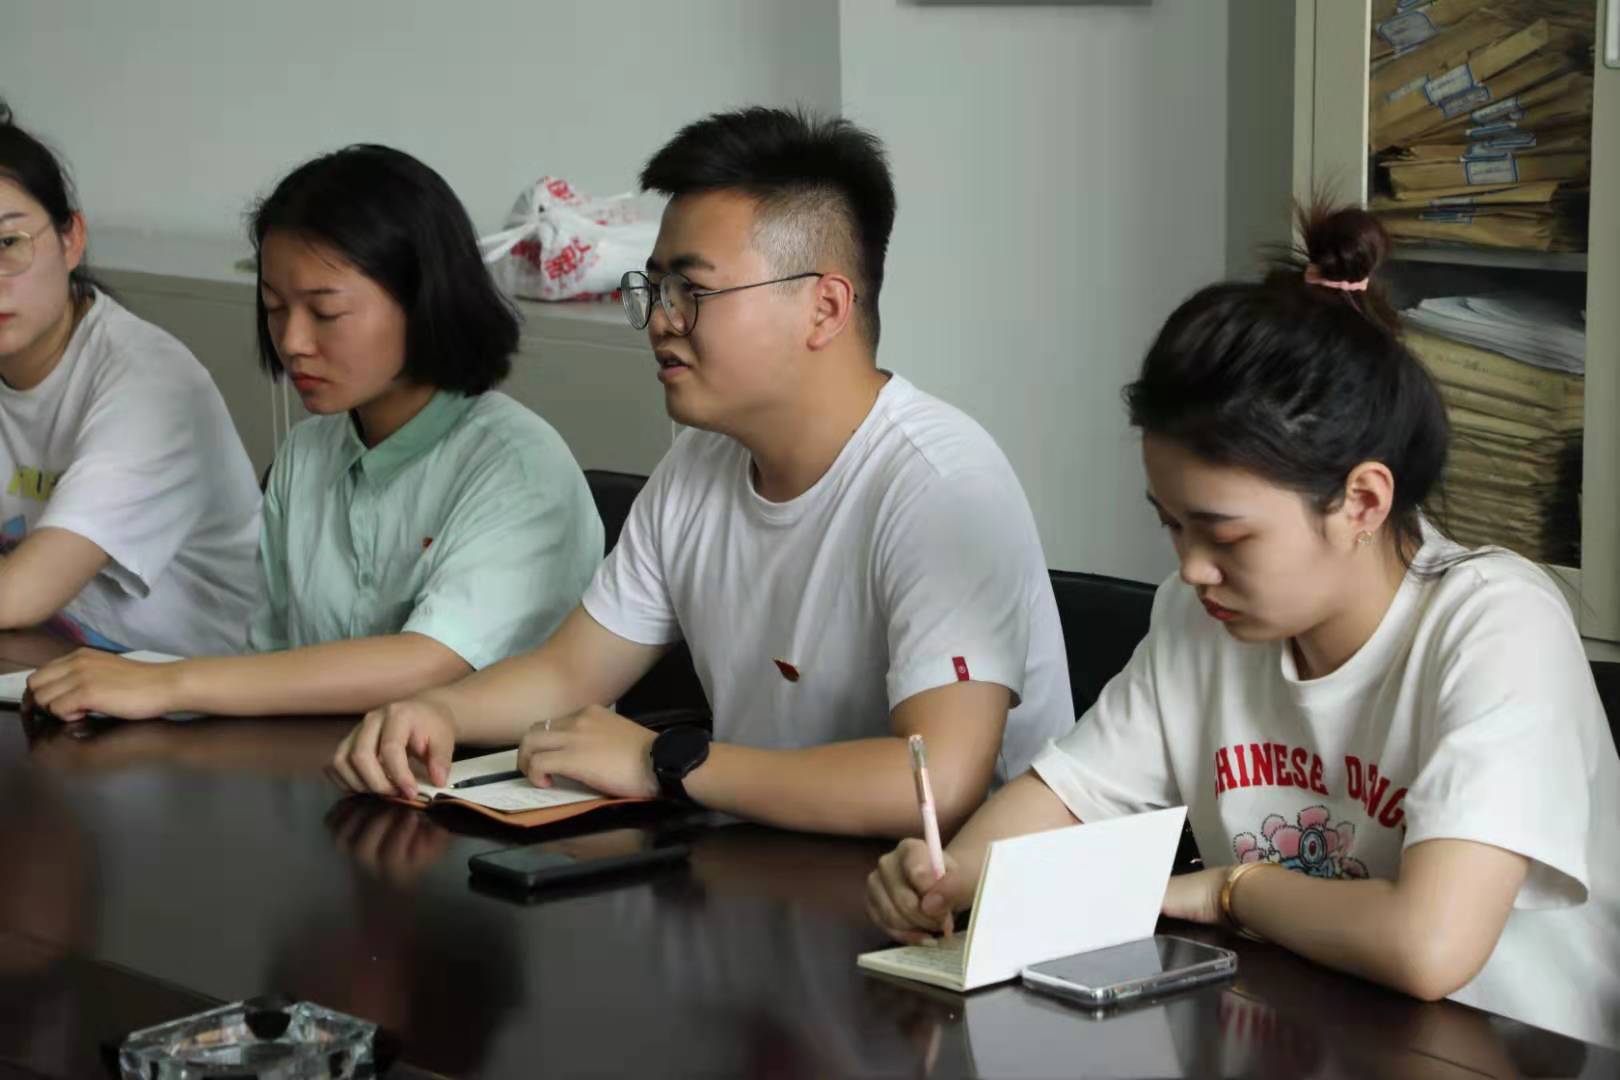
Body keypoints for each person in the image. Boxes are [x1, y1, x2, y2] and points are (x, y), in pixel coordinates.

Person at [865, 206, 1620, 1050]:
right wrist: (947, 876)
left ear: (1362, 502)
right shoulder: (1200, 621)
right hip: (1307, 1029)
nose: (1192, 568)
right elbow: (1070, 798)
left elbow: (1429, 946)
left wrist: (1231, 891)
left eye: (1225, 536)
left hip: (1503, 1053)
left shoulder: (1495, 626)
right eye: (1171, 526)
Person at [331, 108, 1072, 839]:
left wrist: (664, 761)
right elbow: (569, 674)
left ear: (824, 308)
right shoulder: (699, 464)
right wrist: (439, 710)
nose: (660, 320)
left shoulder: (938, 484)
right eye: (655, 288)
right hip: (771, 867)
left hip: (946, 900)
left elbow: (933, 783)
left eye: (693, 291)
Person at [27, 145, 603, 720]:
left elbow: (428, 663)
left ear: (423, 299)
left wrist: (169, 683)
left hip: (484, 770)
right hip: (323, 761)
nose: (293, 341)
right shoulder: (307, 454)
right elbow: (272, 660)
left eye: (325, 313)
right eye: (275, 307)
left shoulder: (517, 466)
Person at [0, 102, 259, 655]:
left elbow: (20, 594)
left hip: (195, 689)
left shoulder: (151, 385)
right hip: (48, 664)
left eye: (8, 244)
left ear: (71, 240)